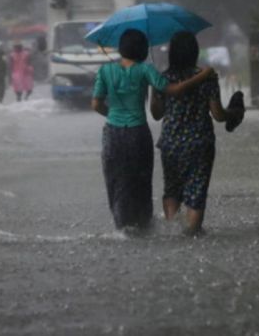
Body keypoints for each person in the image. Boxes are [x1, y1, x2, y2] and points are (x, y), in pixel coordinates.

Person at [91, 29, 215, 231]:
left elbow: (96, 104)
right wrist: (203, 75)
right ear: (142, 49)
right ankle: (143, 226)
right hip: (138, 134)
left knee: (116, 181)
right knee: (141, 182)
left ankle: (122, 227)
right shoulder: (145, 70)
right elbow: (173, 90)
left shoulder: (105, 71)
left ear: (121, 48)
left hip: (112, 135)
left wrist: (114, 116)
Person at [150, 31, 244, 236]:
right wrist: (234, 113)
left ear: (172, 53)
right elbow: (218, 114)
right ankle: (192, 232)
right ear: (194, 52)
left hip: (171, 143)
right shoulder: (207, 78)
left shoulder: (163, 79)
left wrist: (154, 93)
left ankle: (172, 232)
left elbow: (156, 115)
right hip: (200, 143)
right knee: (197, 191)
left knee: (172, 189)